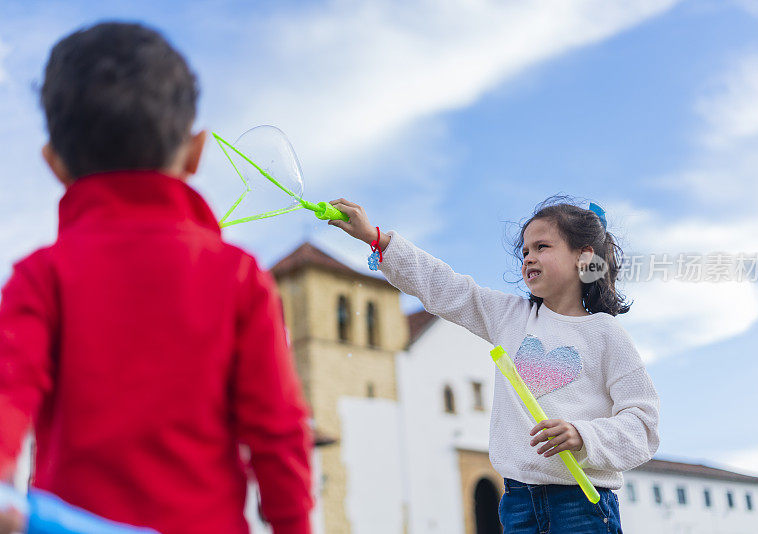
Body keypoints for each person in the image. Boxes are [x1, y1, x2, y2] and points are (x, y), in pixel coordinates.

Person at [0, 22, 312, 534]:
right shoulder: (239, 278)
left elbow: (7, 395)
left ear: (54, 164)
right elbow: (278, 435)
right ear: (196, 151)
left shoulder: (40, 277)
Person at [328, 196, 659, 533]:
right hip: (516, 504)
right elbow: (445, 286)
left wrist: (583, 434)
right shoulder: (511, 318)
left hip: (582, 505)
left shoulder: (606, 333)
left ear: (584, 257)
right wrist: (376, 237)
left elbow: (644, 427)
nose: (528, 257)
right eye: (525, 251)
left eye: (541, 246)